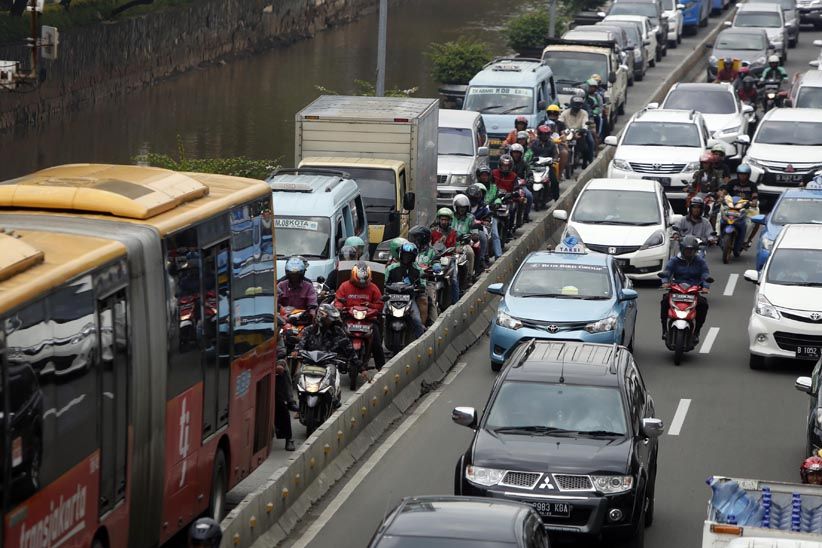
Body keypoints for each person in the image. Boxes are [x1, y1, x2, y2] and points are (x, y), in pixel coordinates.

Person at [335, 261, 386, 370]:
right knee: (336, 338)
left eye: (364, 282)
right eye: (359, 282)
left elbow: (379, 304)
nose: (362, 285)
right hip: (349, 318)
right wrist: (340, 307)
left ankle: (382, 368)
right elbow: (338, 300)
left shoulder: (373, 288)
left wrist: (371, 306)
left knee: (376, 343)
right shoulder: (344, 286)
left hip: (368, 319)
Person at [660, 235, 711, 341]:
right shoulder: (674, 260)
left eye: (691, 250)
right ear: (682, 249)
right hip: (676, 289)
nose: (689, 252)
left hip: (693, 291)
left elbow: (705, 274)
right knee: (665, 302)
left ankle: (696, 332)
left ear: (695, 251)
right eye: (687, 250)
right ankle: (664, 330)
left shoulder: (700, 261)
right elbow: (667, 272)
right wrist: (665, 282)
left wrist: (706, 286)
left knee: (703, 305)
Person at [296, 303, 358, 390]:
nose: (331, 322)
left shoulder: (337, 331)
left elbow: (349, 348)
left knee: (331, 382)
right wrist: (296, 352)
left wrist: (361, 368)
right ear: (321, 318)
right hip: (310, 363)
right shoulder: (308, 330)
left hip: (329, 364)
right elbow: (300, 345)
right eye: (329, 320)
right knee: (299, 378)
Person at [384, 242, 426, 338]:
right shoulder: (391, 268)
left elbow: (422, 282)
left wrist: (421, 287)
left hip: (409, 300)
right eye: (405, 255)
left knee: (417, 320)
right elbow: (384, 281)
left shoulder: (418, 270)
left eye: (409, 256)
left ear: (413, 257)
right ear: (401, 255)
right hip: (391, 299)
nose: (406, 258)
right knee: (380, 317)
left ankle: (420, 342)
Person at [723, 164, 760, 248]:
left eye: (744, 174)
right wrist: (721, 197)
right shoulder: (732, 183)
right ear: (737, 174)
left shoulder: (752, 185)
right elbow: (724, 192)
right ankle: (717, 234)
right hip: (731, 206)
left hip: (746, 207)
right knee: (719, 214)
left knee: (755, 221)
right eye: (740, 174)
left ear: (748, 175)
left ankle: (747, 240)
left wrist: (753, 202)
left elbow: (755, 196)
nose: (742, 176)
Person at [431, 208, 463, 303]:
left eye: (446, 220)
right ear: (439, 220)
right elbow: (430, 245)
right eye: (442, 219)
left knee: (454, 280)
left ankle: (455, 302)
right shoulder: (433, 231)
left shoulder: (453, 232)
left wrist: (457, 249)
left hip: (449, 258)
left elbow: (457, 245)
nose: (444, 222)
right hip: (436, 259)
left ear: (449, 221)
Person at [409, 224, 438, 325]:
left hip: (427, 280)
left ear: (423, 238)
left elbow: (436, 263)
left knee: (429, 299)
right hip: (410, 280)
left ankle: (434, 325)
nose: (413, 240)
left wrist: (435, 267)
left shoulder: (431, 252)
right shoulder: (410, 250)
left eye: (416, 237)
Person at [274, 334, 296, 451]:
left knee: (279, 404)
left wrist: (279, 364)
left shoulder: (276, 335)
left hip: (273, 368)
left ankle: (289, 438)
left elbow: (281, 351)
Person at [559, 96, 594, 165]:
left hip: (580, 132)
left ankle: (589, 160)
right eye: (575, 105)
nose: (577, 107)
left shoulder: (584, 113)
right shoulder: (565, 113)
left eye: (579, 105)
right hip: (567, 133)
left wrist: (584, 128)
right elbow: (560, 121)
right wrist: (561, 127)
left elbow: (585, 122)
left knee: (590, 141)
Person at [530, 124, 560, 203]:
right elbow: (529, 153)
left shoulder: (552, 144)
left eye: (546, 134)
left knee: (554, 181)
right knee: (527, 180)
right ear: (539, 134)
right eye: (543, 134)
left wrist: (555, 159)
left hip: (547, 167)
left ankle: (557, 199)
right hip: (535, 167)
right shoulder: (534, 144)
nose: (545, 136)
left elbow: (556, 154)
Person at [452, 194, 480, 277]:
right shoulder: (450, 216)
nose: (462, 209)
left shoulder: (471, 218)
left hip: (463, 243)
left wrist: (472, 236)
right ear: (456, 207)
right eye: (460, 207)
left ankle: (469, 275)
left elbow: (475, 233)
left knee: (470, 253)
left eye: (464, 207)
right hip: (450, 243)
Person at [466, 183, 494, 267]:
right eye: (470, 198)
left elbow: (488, 216)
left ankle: (482, 258)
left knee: (483, 237)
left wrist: (486, 221)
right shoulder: (464, 206)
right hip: (464, 228)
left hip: (477, 229)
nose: (472, 200)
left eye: (474, 198)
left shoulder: (483, 206)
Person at [509, 143, 534, 223]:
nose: (516, 154)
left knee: (529, 196)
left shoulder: (524, 163)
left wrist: (530, 179)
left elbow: (529, 172)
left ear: (521, 154)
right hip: (509, 185)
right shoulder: (507, 162)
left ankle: (526, 215)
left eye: (518, 153)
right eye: (514, 152)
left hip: (520, 185)